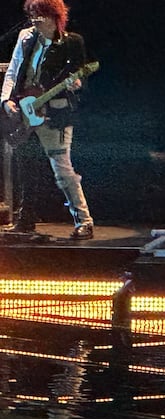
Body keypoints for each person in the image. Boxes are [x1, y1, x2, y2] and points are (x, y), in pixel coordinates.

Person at [1, 0, 94, 239]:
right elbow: (14, 70)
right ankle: (26, 219)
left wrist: (76, 84)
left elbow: (81, 76)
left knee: (62, 169)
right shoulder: (26, 37)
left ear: (53, 16)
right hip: (25, 109)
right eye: (32, 13)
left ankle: (84, 220)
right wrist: (6, 100)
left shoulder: (71, 42)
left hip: (55, 112)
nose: (35, 19)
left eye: (40, 14)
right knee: (25, 167)